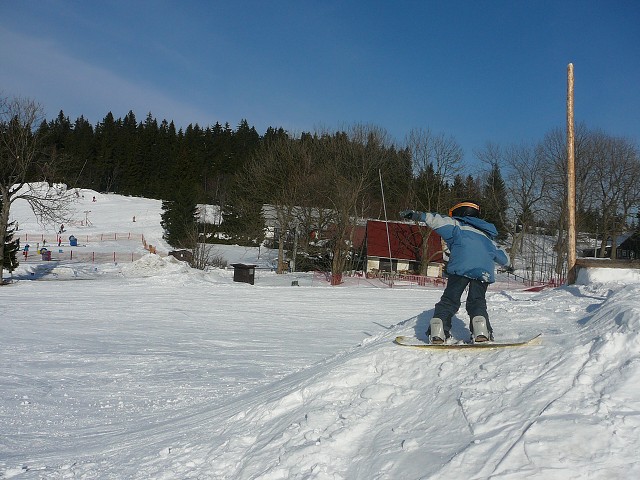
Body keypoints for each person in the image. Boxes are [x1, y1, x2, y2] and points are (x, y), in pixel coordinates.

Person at [401, 202, 510, 344]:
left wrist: (417, 215)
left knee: (450, 300)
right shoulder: (488, 237)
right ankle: (481, 330)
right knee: (477, 301)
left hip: (461, 267)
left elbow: (437, 220)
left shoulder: (456, 225)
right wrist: (510, 266)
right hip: (484, 271)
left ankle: (438, 330)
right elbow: (503, 256)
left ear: (460, 213)